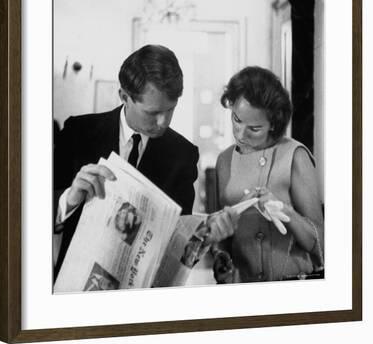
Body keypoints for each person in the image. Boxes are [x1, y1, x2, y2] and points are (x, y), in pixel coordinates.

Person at [53, 44, 199, 276]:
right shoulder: (77, 132)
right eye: (152, 113)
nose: (163, 122)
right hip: (74, 284)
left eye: (170, 110)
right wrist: (68, 201)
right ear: (124, 96)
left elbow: (179, 237)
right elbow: (31, 213)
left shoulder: (183, 154)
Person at [207, 66, 324, 283]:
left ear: (273, 124)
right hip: (244, 289)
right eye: (236, 119)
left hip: (294, 286)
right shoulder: (225, 160)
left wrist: (285, 211)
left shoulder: (294, 155)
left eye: (254, 128)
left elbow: (320, 243)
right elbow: (222, 240)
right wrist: (221, 258)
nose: (240, 134)